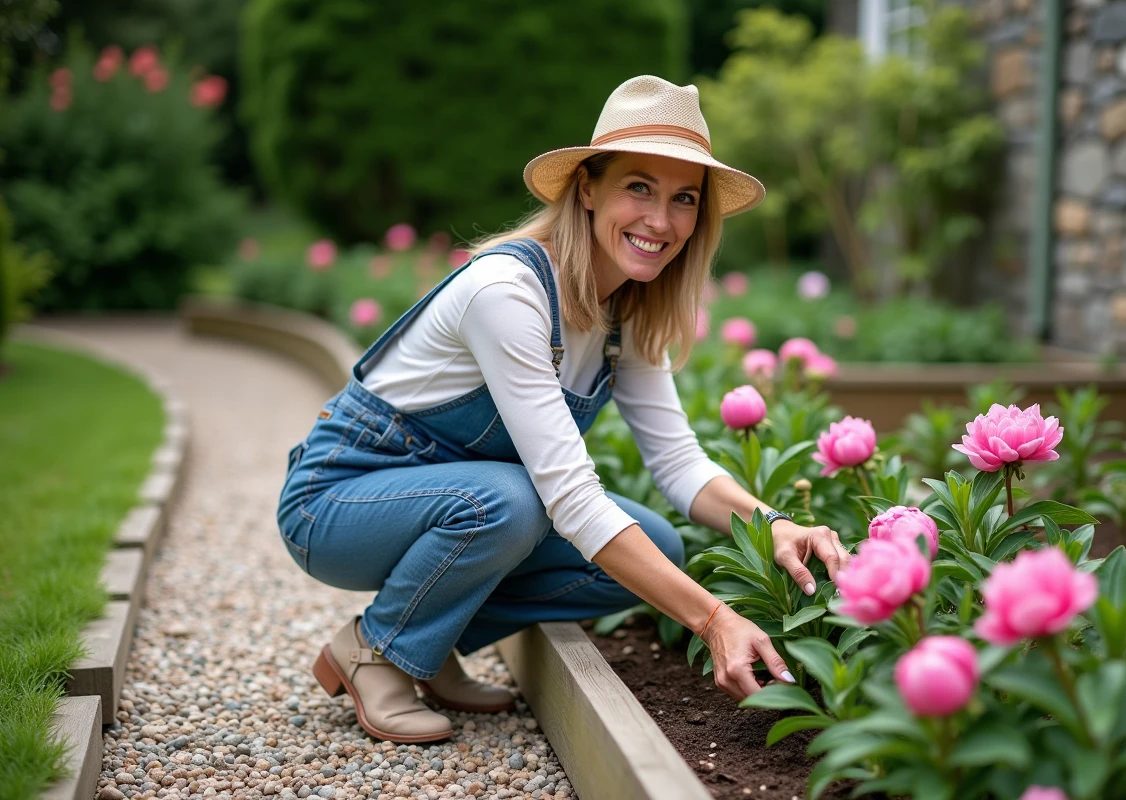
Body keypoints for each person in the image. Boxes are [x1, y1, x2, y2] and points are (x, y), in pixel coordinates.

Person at [276, 75, 850, 743]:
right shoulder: (509, 291)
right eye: (638, 187)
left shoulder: (626, 311)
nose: (660, 221)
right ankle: (378, 650)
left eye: (683, 199)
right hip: (336, 502)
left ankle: (424, 650)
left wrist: (771, 524)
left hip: (462, 500)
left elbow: (677, 462)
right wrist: (714, 619)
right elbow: (570, 497)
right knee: (512, 500)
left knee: (653, 547)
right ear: (587, 189)